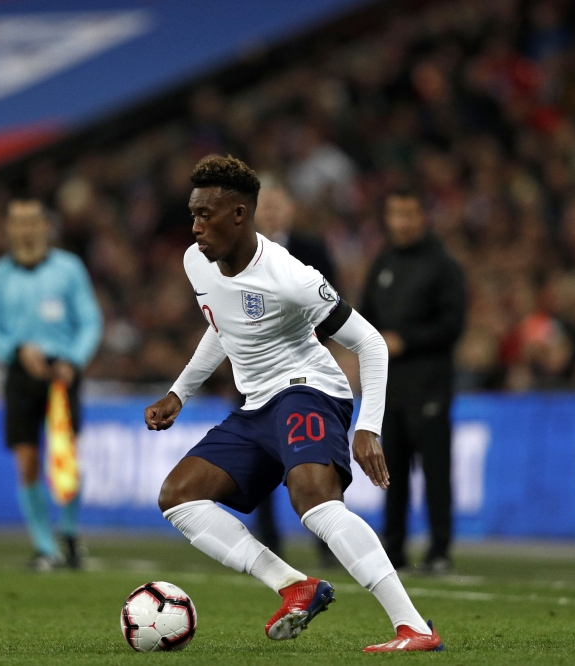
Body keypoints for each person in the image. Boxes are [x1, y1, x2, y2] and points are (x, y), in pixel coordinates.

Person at [144, 155, 443, 652]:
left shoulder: (290, 277)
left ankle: (413, 626)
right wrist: (180, 391)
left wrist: (369, 425)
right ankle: (293, 585)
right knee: (178, 496)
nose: (194, 227)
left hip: (309, 389)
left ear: (240, 215)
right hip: (258, 405)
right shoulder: (195, 261)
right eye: (192, 214)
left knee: (315, 500)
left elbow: (370, 342)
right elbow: (223, 327)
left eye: (205, 215)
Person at [0, 199, 102, 571]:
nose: (26, 228)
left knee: (66, 456)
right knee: (27, 460)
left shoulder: (68, 269)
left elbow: (90, 321)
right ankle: (45, 546)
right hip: (19, 371)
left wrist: (74, 359)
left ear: (46, 226)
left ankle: (71, 534)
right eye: (18, 222)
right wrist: (15, 349)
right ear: (9, 228)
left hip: (62, 371)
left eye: (32, 221)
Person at [360, 188, 465, 573]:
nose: (401, 223)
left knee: (436, 471)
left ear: (423, 217)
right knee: (392, 472)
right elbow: (365, 317)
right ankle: (394, 548)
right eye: (394, 214)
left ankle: (439, 549)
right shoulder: (383, 262)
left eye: (408, 214)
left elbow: (454, 325)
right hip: (391, 388)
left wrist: (407, 339)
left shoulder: (442, 265)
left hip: (431, 385)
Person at [254, 179, 341, 568]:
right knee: (260, 462)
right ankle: (269, 544)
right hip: (254, 372)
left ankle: (328, 543)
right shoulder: (238, 253)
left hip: (305, 370)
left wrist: (306, 343)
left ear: (289, 210)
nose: (272, 213)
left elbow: (332, 303)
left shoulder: (311, 249)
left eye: (278, 205)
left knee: (314, 455)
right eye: (265, 206)